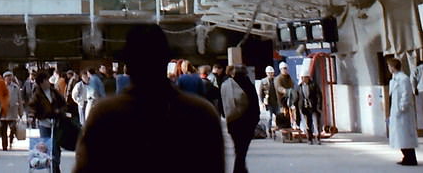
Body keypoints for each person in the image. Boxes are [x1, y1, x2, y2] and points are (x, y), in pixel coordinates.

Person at [75, 24, 223, 172]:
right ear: (165, 61)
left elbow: (85, 168)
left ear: (129, 65)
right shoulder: (201, 113)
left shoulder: (105, 115)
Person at [28, 68, 67, 173]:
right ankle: (49, 167)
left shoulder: (54, 91)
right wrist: (32, 116)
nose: (48, 82)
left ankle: (55, 166)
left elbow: (63, 103)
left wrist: (60, 111)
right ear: (41, 83)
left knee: (55, 147)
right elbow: (32, 106)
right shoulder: (37, 94)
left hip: (56, 122)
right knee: (46, 147)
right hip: (44, 123)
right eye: (46, 80)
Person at [222, 65, 260, 173]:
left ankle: (241, 168)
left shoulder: (226, 85)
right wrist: (255, 120)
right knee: (242, 149)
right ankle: (239, 168)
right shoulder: (249, 85)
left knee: (237, 147)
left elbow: (222, 103)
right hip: (247, 122)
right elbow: (254, 104)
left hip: (232, 121)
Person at [387, 57, 418, 166]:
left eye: (389, 66)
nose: (389, 68)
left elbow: (406, 94)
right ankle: (407, 156)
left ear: (393, 67)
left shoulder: (403, 79)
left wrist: (402, 107)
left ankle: (410, 157)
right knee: (400, 135)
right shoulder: (394, 79)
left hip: (403, 112)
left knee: (405, 135)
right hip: (397, 111)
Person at [295, 69, 322, 144]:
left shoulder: (313, 85)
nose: (304, 79)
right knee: (307, 123)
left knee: (316, 122)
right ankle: (309, 138)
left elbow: (319, 95)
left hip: (313, 107)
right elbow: (297, 98)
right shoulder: (299, 87)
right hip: (304, 107)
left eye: (306, 77)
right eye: (303, 78)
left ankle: (317, 137)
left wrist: (319, 106)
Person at [0, 71, 23, 151]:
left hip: (13, 111)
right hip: (3, 112)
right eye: (7, 76)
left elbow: (20, 100)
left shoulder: (16, 87)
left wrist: (21, 112)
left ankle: (11, 138)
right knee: (3, 130)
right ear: (4, 78)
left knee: (13, 128)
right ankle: (4, 146)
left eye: (10, 76)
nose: (9, 78)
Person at [258, 65, 281, 137]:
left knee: (278, 116)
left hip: (276, 102)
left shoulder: (276, 80)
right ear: (266, 73)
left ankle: (278, 128)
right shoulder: (263, 81)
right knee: (270, 117)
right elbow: (260, 92)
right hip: (268, 102)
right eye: (269, 73)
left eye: (271, 73)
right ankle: (269, 130)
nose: (270, 74)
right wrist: (262, 102)